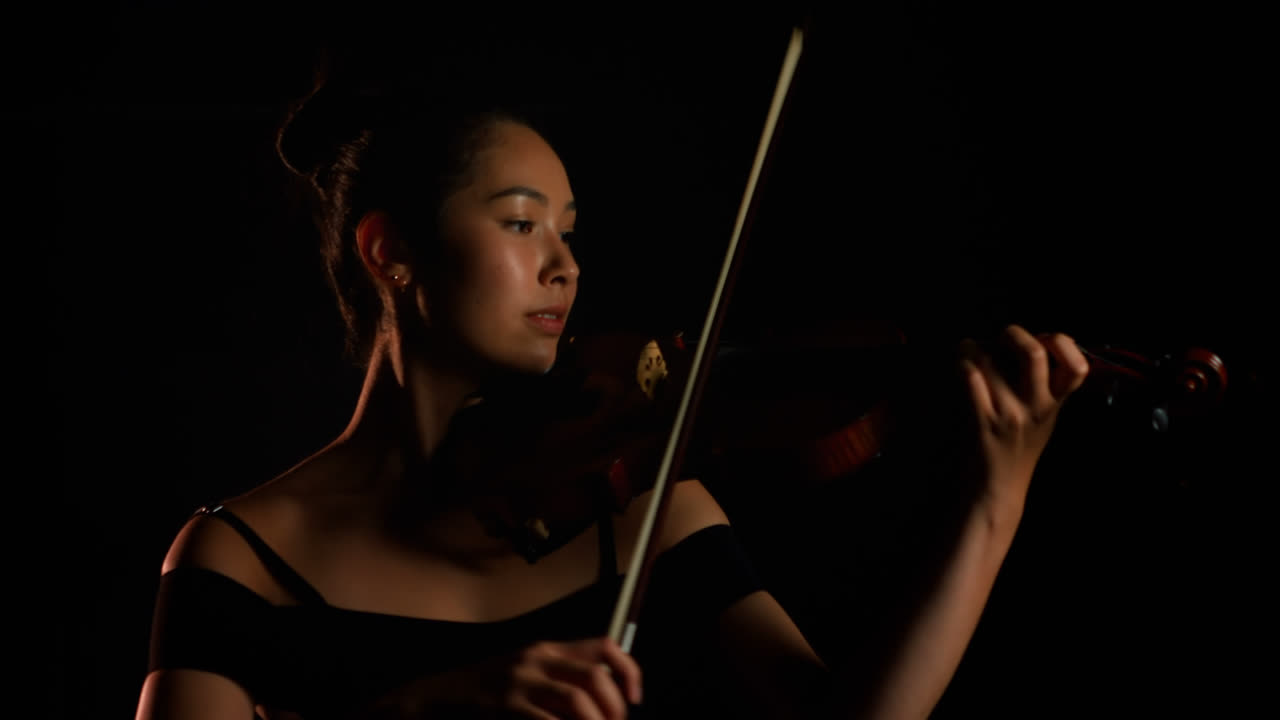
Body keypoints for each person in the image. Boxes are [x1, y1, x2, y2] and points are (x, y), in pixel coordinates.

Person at [133, 57, 1090, 720]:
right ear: (390, 255)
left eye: (570, 229)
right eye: (520, 224)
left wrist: (993, 501)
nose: (565, 266)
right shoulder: (242, 558)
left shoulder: (639, 503)